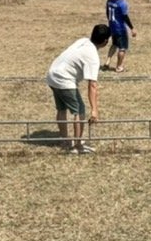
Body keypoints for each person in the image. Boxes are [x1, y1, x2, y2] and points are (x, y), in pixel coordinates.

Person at [47, 24, 110, 154]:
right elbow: (92, 85)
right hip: (64, 79)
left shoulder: (83, 41)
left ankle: (64, 140)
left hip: (52, 74)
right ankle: (77, 146)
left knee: (62, 108)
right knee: (79, 111)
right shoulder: (93, 57)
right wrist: (94, 110)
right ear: (105, 42)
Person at [104, 0, 135, 72]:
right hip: (120, 28)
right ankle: (119, 67)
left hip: (112, 26)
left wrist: (111, 23)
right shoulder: (122, 3)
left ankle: (107, 61)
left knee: (114, 44)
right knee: (122, 47)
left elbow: (107, 13)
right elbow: (125, 17)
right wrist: (132, 28)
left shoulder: (109, 1)